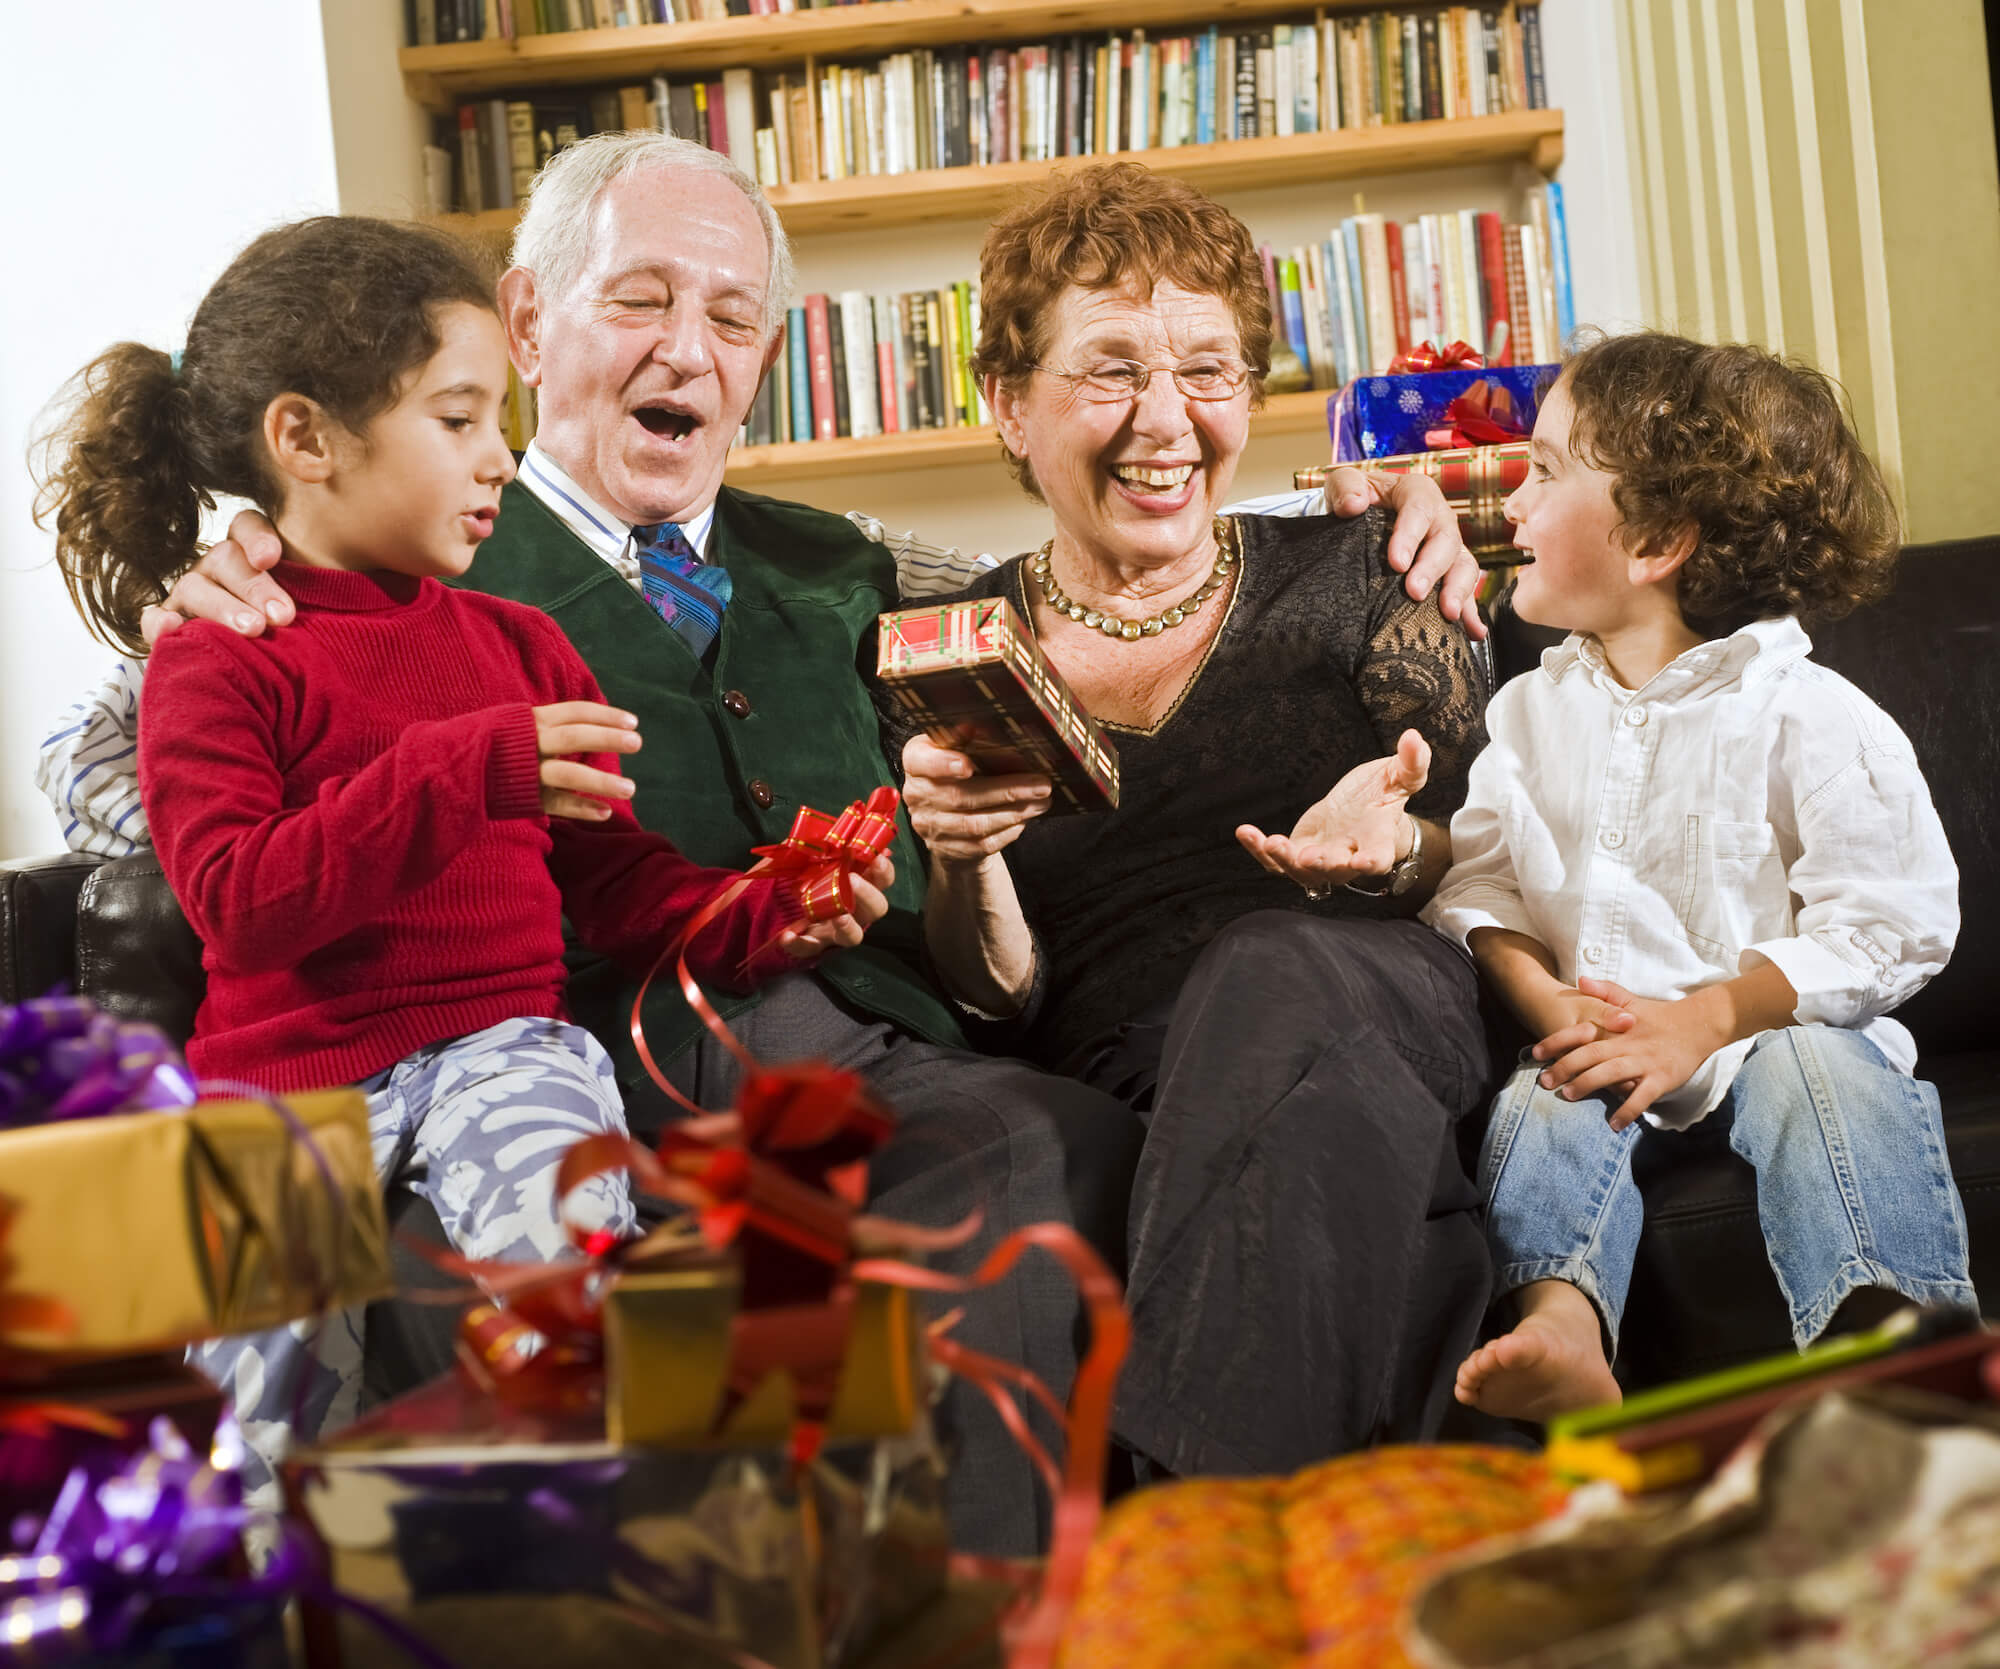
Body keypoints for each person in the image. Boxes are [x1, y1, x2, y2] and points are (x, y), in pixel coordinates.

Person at [32, 135, 1476, 1550]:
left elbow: (1124, 551)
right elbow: (111, 779)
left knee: (1070, 1151)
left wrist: (1389, 497)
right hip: (590, 1048)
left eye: (732, 317)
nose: (691, 350)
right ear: (531, 323)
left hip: (871, 1046)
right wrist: (193, 594)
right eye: (643, 299)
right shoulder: (369, 573)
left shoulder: (845, 566)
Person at [33, 216, 893, 1479]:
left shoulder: (521, 646)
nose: (501, 456)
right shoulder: (216, 660)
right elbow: (238, 905)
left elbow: (618, 888)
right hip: (278, 1094)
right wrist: (465, 765)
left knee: (572, 1296)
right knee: (219, 1445)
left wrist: (766, 908)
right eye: (458, 420)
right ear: (305, 439)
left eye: (499, 418)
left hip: (502, 1047)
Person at [895, 163, 1496, 1480]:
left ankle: (1189, 1525)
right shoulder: (948, 653)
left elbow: (1494, 859)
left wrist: (1392, 847)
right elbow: (998, 988)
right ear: (1009, 403)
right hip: (1142, 1070)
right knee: (1400, 1203)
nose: (1166, 421)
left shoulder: (1367, 568)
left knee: (1273, 965)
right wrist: (966, 860)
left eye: (1209, 371)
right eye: (1110, 370)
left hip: (1377, 984)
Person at [1429, 333, 1976, 1421]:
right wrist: (1554, 1008)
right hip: (1600, 1048)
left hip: (1766, 1036)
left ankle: (1889, 1328)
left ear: (1654, 541)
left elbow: (1893, 920)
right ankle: (1559, 1322)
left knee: (1820, 1073)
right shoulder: (1527, 715)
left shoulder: (1803, 711)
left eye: (1541, 472)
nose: (1511, 505)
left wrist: (1711, 1016)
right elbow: (1479, 885)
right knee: (1542, 1099)